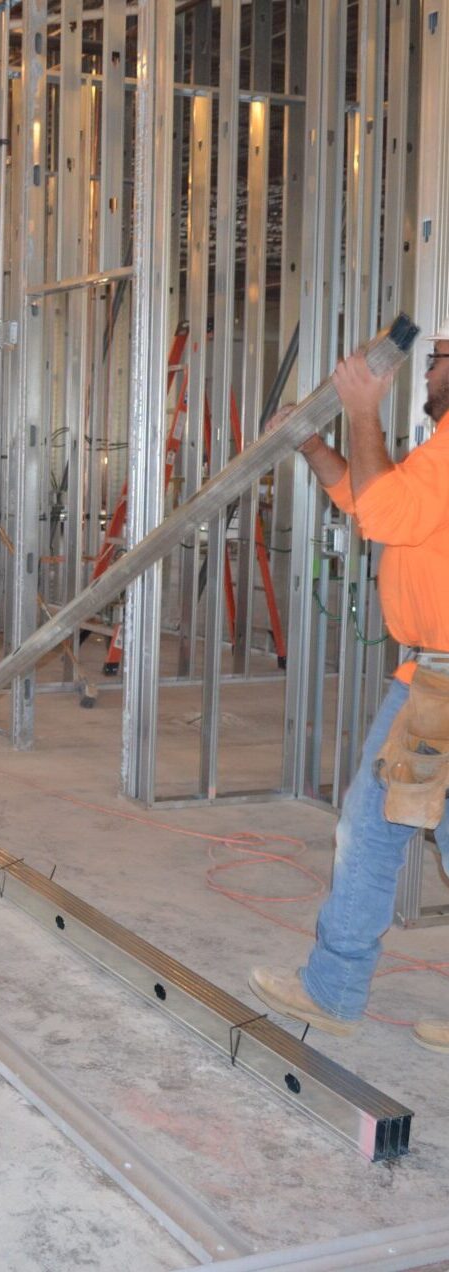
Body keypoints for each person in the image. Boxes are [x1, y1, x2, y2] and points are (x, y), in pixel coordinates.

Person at [249, 322, 449, 1054]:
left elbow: (385, 509)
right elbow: (381, 507)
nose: (427, 372)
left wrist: (363, 409)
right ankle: (333, 986)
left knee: (369, 830)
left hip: (440, 684)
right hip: (432, 674)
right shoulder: (441, 452)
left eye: (437, 362)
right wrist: (312, 444)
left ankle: (333, 990)